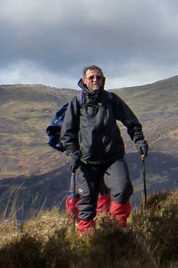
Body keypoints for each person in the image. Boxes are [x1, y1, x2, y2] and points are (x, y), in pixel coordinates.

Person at [61, 65, 149, 233]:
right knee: (86, 201)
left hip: (113, 157)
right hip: (86, 161)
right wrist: (72, 154)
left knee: (123, 190)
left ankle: (117, 231)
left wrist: (139, 141)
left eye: (99, 77)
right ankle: (86, 238)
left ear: (103, 80)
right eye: (92, 77)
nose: (96, 80)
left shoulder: (111, 99)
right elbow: (67, 133)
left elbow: (131, 122)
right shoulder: (77, 102)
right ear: (84, 80)